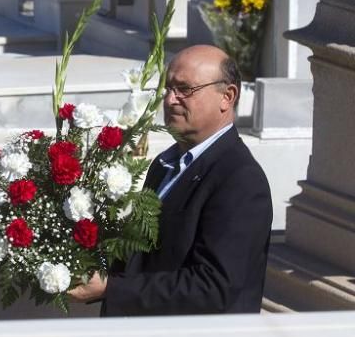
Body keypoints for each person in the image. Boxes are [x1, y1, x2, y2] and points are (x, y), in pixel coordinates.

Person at [68, 45, 273, 315]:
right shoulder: (166, 163)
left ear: (227, 96)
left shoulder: (240, 180)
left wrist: (112, 288)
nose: (170, 100)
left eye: (185, 89)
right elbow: (145, 255)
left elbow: (213, 288)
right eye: (167, 88)